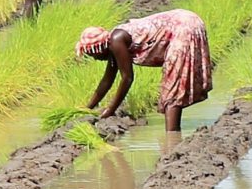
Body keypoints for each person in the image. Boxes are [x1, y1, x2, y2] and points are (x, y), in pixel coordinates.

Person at [75, 8, 213, 132]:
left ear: (98, 48)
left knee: (172, 89)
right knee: (172, 88)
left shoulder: (116, 41)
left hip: (184, 28)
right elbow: (107, 80)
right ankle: (173, 133)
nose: (95, 58)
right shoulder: (113, 44)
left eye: (92, 54)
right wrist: (87, 109)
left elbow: (127, 78)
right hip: (186, 21)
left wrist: (110, 110)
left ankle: (172, 138)